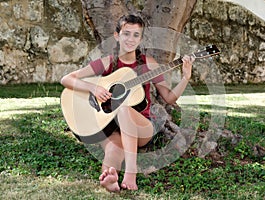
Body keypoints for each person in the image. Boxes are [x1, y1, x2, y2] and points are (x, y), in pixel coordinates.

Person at [61, 14, 195, 192]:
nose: (130, 39)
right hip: (110, 124)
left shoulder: (149, 64)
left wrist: (186, 78)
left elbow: (169, 98)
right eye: (126, 33)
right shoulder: (108, 62)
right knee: (114, 150)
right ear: (117, 35)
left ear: (141, 38)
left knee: (124, 110)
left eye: (136, 35)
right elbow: (67, 79)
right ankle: (110, 179)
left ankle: (130, 172)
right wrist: (93, 89)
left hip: (142, 126)